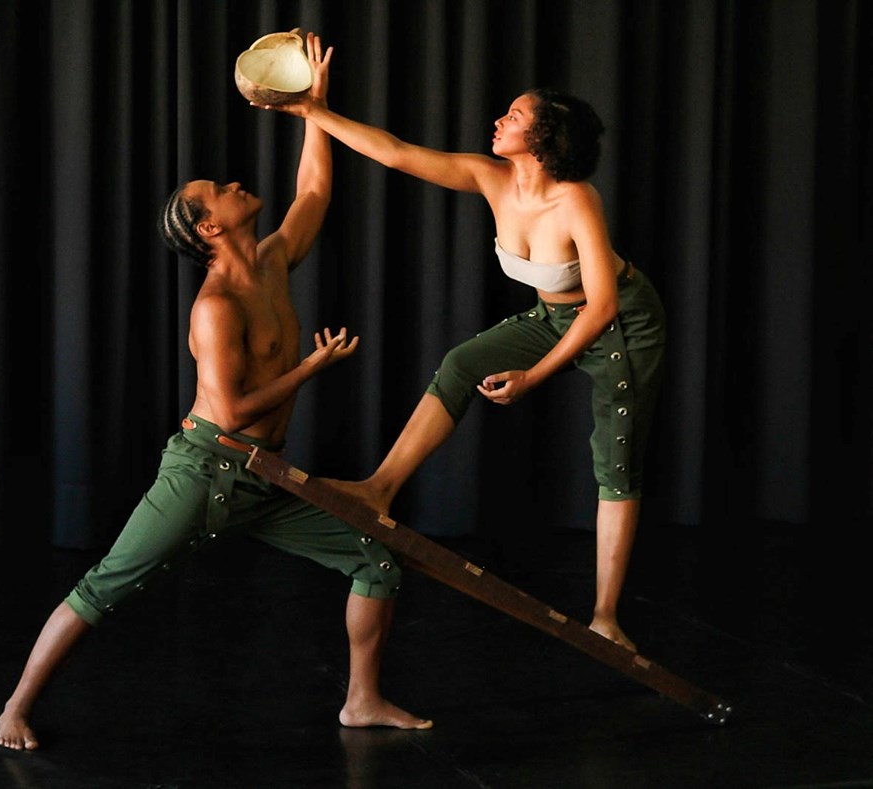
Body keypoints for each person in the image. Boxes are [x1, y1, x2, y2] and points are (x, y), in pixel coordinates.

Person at [0, 33, 431, 751]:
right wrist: (311, 370)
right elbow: (227, 411)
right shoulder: (216, 305)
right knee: (106, 585)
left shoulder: (272, 260)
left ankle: (363, 698)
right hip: (204, 469)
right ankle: (15, 707)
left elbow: (314, 191)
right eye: (218, 191)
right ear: (208, 225)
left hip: (262, 476)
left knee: (375, 558)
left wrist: (313, 110)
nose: (232, 185)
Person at [259, 67, 666, 653]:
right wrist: (313, 111)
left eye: (516, 115)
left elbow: (601, 306)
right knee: (460, 363)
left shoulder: (576, 200)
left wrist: (534, 375)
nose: (500, 120)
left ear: (546, 135)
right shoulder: (491, 177)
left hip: (622, 325)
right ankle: (379, 488)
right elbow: (397, 154)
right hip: (556, 318)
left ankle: (605, 618)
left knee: (614, 463)